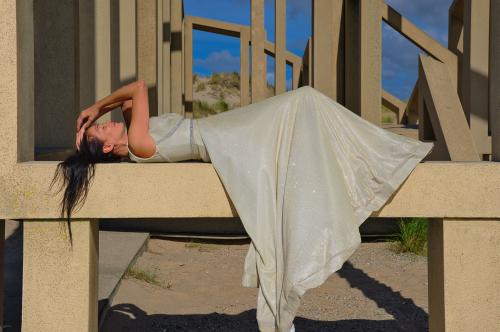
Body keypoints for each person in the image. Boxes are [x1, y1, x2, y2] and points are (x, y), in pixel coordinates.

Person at [53, 79, 433, 332]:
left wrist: (101, 111)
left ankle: (369, 155)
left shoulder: (133, 135)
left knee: (307, 105)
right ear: (106, 147)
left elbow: (130, 99)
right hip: (225, 138)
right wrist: (95, 107)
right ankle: (379, 156)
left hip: (225, 130)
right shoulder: (138, 143)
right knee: (304, 102)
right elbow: (137, 87)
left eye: (101, 122)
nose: (106, 123)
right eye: (101, 129)